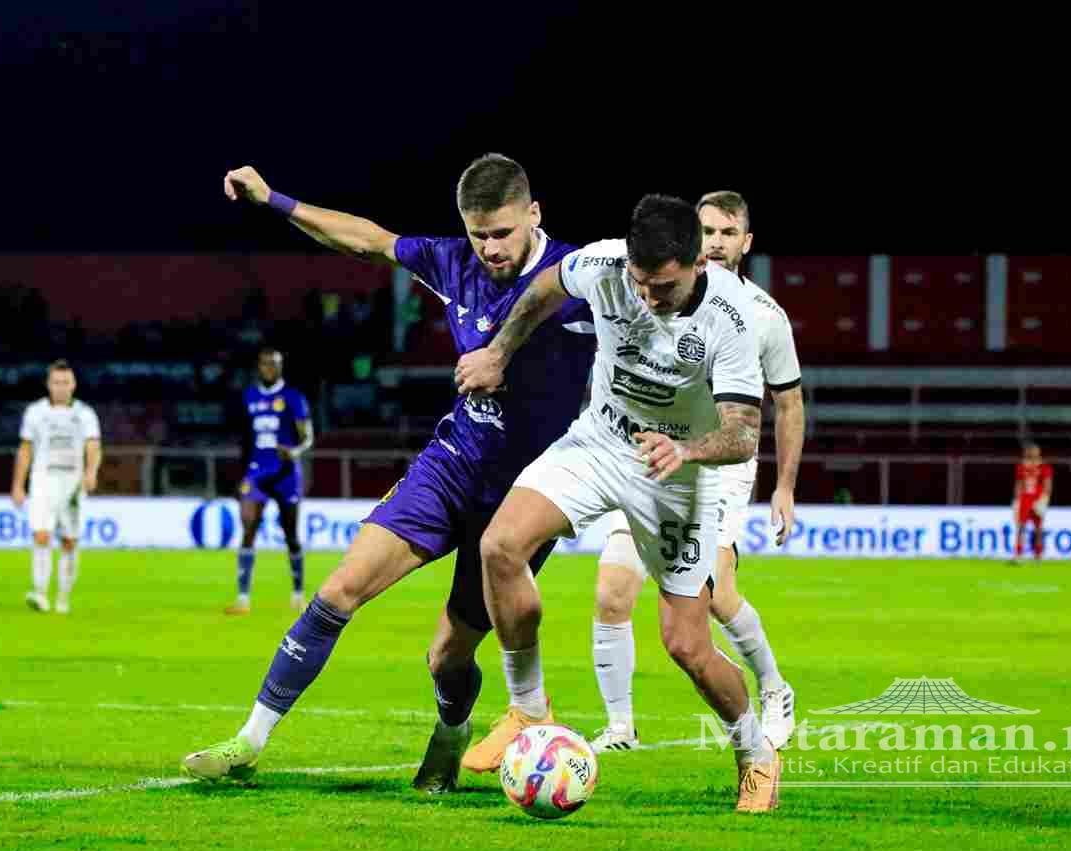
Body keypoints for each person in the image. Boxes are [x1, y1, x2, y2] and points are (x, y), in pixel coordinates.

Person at [181, 154, 595, 793]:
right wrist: (274, 200)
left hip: (524, 495)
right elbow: (367, 239)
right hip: (452, 464)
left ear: (534, 214)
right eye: (477, 233)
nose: (488, 248)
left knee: (446, 658)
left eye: (502, 233)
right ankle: (248, 742)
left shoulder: (579, 277)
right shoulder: (453, 260)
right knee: (338, 591)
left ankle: (452, 731)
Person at [455, 194, 781, 813]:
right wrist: (500, 351)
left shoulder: (734, 319)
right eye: (641, 283)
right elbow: (547, 285)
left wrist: (688, 452)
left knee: (686, 645)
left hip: (678, 475)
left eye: (663, 287)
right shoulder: (604, 266)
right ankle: (528, 709)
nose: (649, 298)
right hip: (600, 442)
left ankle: (756, 754)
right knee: (499, 546)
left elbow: (742, 433)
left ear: (695, 265)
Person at [587, 191, 804, 755]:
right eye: (706, 230)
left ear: (745, 242)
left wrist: (784, 486)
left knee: (716, 595)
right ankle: (619, 729)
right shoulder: (654, 298)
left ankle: (775, 687)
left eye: (728, 232)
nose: (716, 240)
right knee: (612, 591)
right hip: (653, 455)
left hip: (721, 465)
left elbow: (788, 404)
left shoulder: (763, 317)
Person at [9, 359, 101, 615]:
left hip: (72, 480)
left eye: (66, 382)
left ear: (74, 385)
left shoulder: (85, 414)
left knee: (70, 541)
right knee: (41, 534)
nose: (61, 387)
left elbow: (93, 446)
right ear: (48, 385)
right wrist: (18, 485)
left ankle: (62, 597)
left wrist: (91, 472)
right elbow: (25, 450)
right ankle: (39, 594)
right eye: (56, 382)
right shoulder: (35, 413)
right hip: (42, 479)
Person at [227, 347, 314, 614]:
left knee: (290, 534)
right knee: (248, 528)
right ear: (259, 367)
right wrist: (240, 475)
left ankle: (298, 593)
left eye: (274, 364)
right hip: (256, 472)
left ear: (280, 367)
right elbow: (244, 439)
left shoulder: (293, 397)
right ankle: (242, 598)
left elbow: (307, 437)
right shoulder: (249, 397)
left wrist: (295, 452)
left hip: (286, 474)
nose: (269, 368)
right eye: (265, 364)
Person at [1011, 441, 1053, 561]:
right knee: (1021, 527)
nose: (1032, 453)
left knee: (1038, 528)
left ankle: (1038, 554)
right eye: (1030, 451)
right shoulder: (1021, 467)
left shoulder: (1045, 467)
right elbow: (1018, 484)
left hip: (1038, 499)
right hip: (1025, 499)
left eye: (1034, 451)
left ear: (1038, 453)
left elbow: (1048, 484)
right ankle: (1018, 553)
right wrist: (1016, 500)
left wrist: (1044, 499)